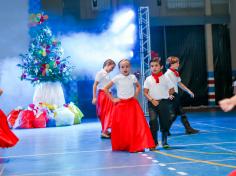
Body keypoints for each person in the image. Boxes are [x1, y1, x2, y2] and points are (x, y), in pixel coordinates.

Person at [104, 59, 155, 152]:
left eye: (127, 66)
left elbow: (139, 87)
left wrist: (135, 96)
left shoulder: (132, 77)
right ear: (119, 69)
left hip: (132, 105)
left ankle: (138, 144)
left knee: (136, 125)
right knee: (124, 127)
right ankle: (125, 144)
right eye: (122, 67)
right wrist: (113, 99)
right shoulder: (117, 78)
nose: (125, 68)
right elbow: (105, 88)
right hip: (121, 106)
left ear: (130, 67)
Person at [144, 57, 174, 149]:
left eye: (156, 65)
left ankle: (164, 141)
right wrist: (152, 100)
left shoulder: (166, 78)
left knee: (164, 122)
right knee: (153, 122)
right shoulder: (148, 79)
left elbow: (172, 89)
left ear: (161, 67)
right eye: (152, 66)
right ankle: (154, 142)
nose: (154, 68)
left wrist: (167, 95)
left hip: (163, 103)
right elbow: (145, 92)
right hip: (152, 103)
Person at [165, 56, 199, 135]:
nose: (178, 64)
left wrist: (189, 91)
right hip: (172, 96)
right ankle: (165, 129)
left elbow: (179, 83)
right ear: (171, 64)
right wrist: (168, 95)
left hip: (175, 95)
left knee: (180, 113)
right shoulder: (168, 74)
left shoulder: (175, 73)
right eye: (177, 63)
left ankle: (188, 129)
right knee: (174, 115)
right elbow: (165, 86)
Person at [92, 59, 116, 138]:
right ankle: (104, 130)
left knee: (108, 113)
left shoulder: (106, 74)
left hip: (107, 94)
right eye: (112, 68)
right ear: (108, 64)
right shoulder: (101, 73)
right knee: (105, 113)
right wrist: (94, 97)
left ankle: (105, 130)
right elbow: (95, 85)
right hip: (103, 95)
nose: (112, 70)